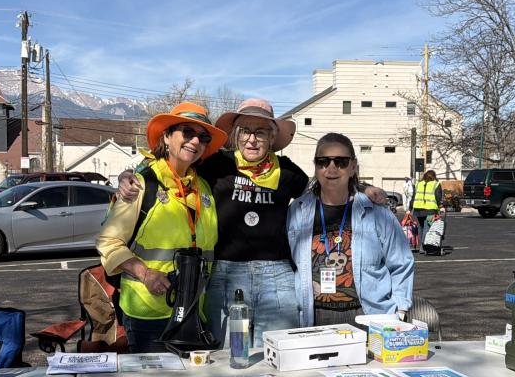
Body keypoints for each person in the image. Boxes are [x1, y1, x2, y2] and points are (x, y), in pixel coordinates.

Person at [115, 98, 308, 349]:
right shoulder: (217, 164)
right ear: (236, 135)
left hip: (276, 276)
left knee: (278, 352)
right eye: (245, 131)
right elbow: (168, 165)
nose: (252, 139)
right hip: (226, 273)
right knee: (225, 358)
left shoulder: (289, 172)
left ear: (272, 138)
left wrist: (358, 188)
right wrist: (129, 175)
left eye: (260, 132)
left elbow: (324, 193)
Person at [96, 102, 226, 352]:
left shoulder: (203, 189)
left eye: (203, 137)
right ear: (166, 137)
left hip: (193, 311)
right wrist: (145, 273)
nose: (195, 141)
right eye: (187, 132)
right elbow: (108, 242)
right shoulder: (140, 184)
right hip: (148, 314)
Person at [287, 133, 414, 326]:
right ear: (315, 166)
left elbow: (401, 262)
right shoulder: (297, 211)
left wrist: (401, 309)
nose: (331, 168)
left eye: (341, 162)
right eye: (323, 162)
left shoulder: (377, 213)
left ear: (353, 166)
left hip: (368, 316)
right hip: (313, 317)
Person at [411, 170, 440, 247]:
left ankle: (422, 245)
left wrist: (410, 208)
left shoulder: (418, 184)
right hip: (430, 210)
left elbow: (413, 197)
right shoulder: (436, 184)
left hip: (418, 210)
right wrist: (439, 208)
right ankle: (424, 246)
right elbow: (438, 197)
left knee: (422, 228)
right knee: (427, 228)